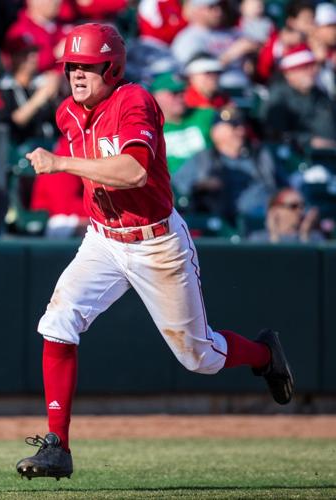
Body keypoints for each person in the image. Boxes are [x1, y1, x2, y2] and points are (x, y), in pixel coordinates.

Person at [15, 23, 294, 481]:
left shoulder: (133, 100)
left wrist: (61, 162)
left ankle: (264, 356)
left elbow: (135, 171)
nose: (77, 74)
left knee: (198, 357)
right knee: (57, 323)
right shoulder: (67, 112)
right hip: (103, 238)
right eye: (71, 66)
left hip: (156, 241)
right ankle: (57, 446)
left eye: (87, 66)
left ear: (113, 66)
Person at [172, 107, 287, 225]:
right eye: (234, 126)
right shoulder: (203, 159)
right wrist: (200, 186)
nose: (240, 131)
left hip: (267, 223)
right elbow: (176, 190)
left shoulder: (260, 155)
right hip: (224, 226)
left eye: (242, 126)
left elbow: (285, 188)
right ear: (216, 131)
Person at [262, 45, 336, 153]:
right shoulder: (279, 97)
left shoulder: (320, 95)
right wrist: (309, 141)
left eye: (313, 66)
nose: (312, 71)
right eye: (304, 67)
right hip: (300, 159)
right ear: (288, 73)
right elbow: (276, 134)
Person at [0, 34, 61, 146]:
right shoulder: (2, 87)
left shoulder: (43, 81)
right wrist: (41, 96)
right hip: (21, 149)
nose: (33, 58)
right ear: (13, 57)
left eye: (34, 52)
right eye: (26, 53)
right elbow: (14, 121)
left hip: (53, 144)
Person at [149, 72, 214, 176]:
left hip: (209, 179)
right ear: (154, 95)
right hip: (172, 186)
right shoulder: (148, 129)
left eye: (182, 91)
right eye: (174, 93)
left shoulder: (202, 115)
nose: (181, 96)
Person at [4, 0, 67, 73]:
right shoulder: (19, 32)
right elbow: (21, 69)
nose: (57, 2)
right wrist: (54, 54)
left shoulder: (65, 26)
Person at [249, 187, 323, 243]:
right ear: (275, 210)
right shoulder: (258, 239)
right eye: (294, 206)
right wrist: (274, 236)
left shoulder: (315, 237)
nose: (300, 211)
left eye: (302, 206)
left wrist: (304, 235)